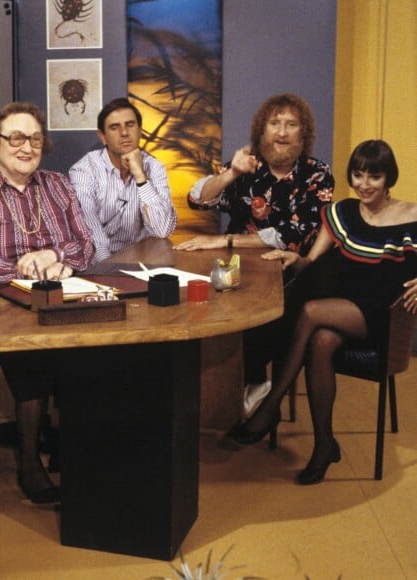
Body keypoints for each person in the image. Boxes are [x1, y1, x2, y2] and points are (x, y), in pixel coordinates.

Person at [227, 140, 417, 485]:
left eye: (374, 176)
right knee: (321, 341)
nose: (364, 184)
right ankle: (324, 446)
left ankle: (271, 406)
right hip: (341, 309)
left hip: (383, 317)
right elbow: (311, 260)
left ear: (389, 177)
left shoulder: (412, 215)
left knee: (312, 312)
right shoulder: (343, 212)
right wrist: (293, 259)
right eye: (357, 175)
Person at [0, 101, 95, 504]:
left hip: (63, 294)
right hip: (5, 306)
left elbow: (86, 244)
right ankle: (29, 462)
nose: (26, 146)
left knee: (93, 349)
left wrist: (53, 257)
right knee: (33, 360)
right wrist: (21, 270)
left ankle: (78, 449)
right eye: (15, 137)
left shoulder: (59, 185)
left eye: (34, 138)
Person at [174, 93, 335, 416]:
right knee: (201, 307)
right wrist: (232, 173)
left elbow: (290, 234)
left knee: (265, 312)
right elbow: (198, 199)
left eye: (291, 125)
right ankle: (221, 393)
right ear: (261, 130)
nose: (282, 132)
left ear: (303, 134)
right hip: (235, 268)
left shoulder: (317, 174)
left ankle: (253, 388)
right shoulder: (248, 166)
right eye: (274, 123)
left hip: (292, 271)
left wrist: (226, 240)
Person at [69, 97, 177, 263]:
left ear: (140, 130)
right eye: (114, 127)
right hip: (98, 264)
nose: (124, 133)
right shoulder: (84, 170)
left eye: (130, 125)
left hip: (142, 262)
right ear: (102, 136)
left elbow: (162, 230)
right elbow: (91, 233)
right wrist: (110, 271)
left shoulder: (154, 167)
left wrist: (141, 176)